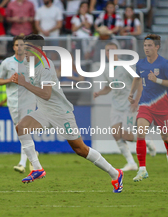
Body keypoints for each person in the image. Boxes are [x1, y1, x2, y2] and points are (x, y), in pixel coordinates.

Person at [11, 34, 123, 193]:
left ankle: (115, 173)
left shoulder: (46, 67)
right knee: (21, 127)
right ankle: (37, 169)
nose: (24, 51)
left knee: (81, 150)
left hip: (60, 113)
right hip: (44, 111)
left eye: (28, 48)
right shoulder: (31, 64)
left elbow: (46, 94)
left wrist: (23, 83)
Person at [94, 42, 156, 172]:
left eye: (112, 50)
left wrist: (137, 99)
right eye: (107, 51)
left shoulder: (125, 66)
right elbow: (108, 87)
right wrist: (99, 93)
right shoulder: (105, 69)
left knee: (127, 136)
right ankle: (131, 163)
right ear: (105, 53)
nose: (109, 53)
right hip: (116, 106)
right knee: (116, 134)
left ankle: (148, 142)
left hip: (129, 105)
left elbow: (138, 80)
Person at [128, 34, 168, 182]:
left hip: (163, 107)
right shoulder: (141, 64)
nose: (146, 48)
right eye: (145, 46)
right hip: (145, 105)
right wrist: (131, 93)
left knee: (165, 138)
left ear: (157, 47)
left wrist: (156, 79)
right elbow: (137, 78)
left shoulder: (164, 64)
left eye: (150, 45)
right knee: (140, 133)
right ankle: (142, 169)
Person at [0, 35, 36, 173]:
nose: (20, 47)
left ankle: (22, 163)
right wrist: (10, 80)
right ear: (14, 47)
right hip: (13, 101)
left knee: (23, 129)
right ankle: (32, 154)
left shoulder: (31, 62)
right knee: (21, 130)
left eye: (22, 45)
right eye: (17, 45)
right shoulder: (7, 63)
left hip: (29, 100)